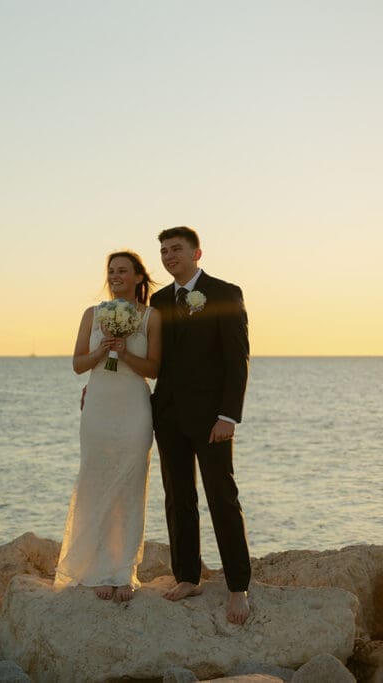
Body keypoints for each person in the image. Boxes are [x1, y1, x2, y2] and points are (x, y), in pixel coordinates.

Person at [149, 226, 251, 624]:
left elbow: (237, 358)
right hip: (168, 416)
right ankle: (187, 576)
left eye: (176, 249)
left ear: (197, 253)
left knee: (222, 497)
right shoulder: (158, 301)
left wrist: (229, 416)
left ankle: (238, 585)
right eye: (163, 251)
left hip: (212, 419)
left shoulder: (224, 293)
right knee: (177, 498)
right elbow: (152, 357)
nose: (169, 256)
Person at [55, 251, 161, 602]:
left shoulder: (151, 317)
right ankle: (98, 568)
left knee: (130, 485)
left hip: (134, 405)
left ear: (138, 277)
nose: (115, 276)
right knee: (96, 481)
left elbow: (154, 369)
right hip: (99, 404)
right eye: (111, 271)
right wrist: (102, 350)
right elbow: (77, 364)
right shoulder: (92, 314)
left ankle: (124, 570)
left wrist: (125, 353)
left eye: (122, 271)